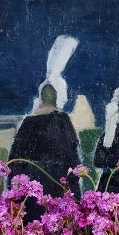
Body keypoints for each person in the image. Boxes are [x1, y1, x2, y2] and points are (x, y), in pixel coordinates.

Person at [8, 83, 81, 222]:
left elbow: (14, 160)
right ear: (55, 99)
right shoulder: (63, 120)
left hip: (32, 192)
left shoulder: (28, 123)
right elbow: (72, 156)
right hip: (58, 187)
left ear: (41, 99)